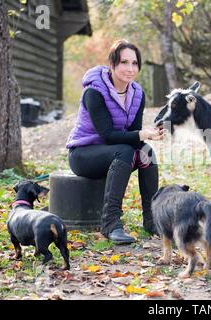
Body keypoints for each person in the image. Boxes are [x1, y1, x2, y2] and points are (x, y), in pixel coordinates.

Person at [66, 40, 164, 244]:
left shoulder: (137, 94)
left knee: (146, 152)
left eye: (134, 63)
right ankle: (110, 223)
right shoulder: (94, 92)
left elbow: (132, 135)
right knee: (125, 151)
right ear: (112, 64)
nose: (130, 69)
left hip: (114, 153)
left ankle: (152, 220)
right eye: (124, 62)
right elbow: (108, 135)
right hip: (84, 155)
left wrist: (151, 134)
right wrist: (142, 134)